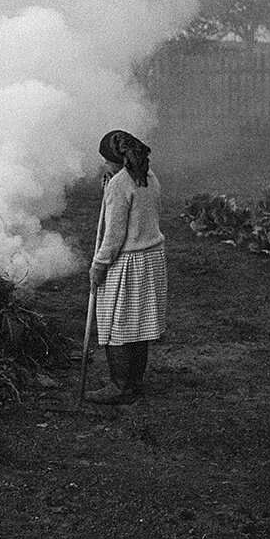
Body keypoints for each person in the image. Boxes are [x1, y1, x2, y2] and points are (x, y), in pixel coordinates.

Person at [85, 129, 168, 404]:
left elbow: (114, 234)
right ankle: (133, 383)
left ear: (115, 159)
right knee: (138, 324)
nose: (103, 165)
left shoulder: (120, 185)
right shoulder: (147, 175)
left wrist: (99, 264)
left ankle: (119, 386)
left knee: (116, 322)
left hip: (128, 260)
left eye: (105, 160)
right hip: (151, 258)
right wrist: (110, 187)